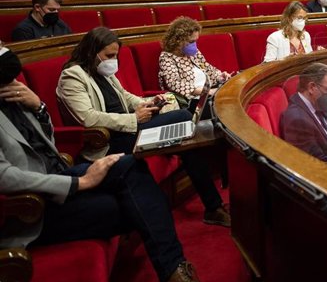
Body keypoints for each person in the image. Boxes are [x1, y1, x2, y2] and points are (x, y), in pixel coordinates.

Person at [0, 47, 240, 282]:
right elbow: (5, 176)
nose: (13, 84)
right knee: (142, 203)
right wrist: (80, 182)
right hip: (32, 207)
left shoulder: (13, 97)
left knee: (129, 166)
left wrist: (39, 109)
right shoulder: (72, 77)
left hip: (60, 175)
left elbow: (46, 145)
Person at [56, 27, 231, 228]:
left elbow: (124, 96)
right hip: (111, 141)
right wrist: (134, 118)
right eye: (109, 55)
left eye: (115, 55)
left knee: (187, 140)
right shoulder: (72, 76)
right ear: (91, 51)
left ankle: (213, 206)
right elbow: (88, 118)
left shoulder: (102, 70)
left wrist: (147, 102)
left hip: (129, 129)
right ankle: (213, 207)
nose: (113, 60)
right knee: (184, 119)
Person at [158, 17, 234, 106]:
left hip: (209, 93)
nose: (194, 45)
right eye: (191, 41)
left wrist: (220, 76)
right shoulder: (167, 57)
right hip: (193, 101)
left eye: (196, 41)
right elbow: (174, 83)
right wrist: (207, 92)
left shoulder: (194, 52)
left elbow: (207, 68)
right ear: (178, 40)